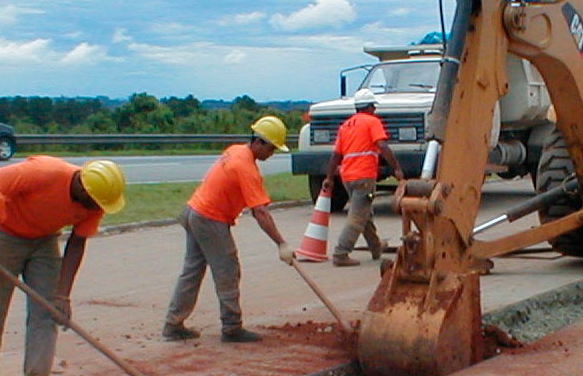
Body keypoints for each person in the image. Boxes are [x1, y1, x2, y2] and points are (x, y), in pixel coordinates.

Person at [0, 156, 126, 376]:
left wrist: (63, 295)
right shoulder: (43, 172)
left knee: (47, 312)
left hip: (44, 241)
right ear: (83, 188)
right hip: (5, 233)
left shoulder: (96, 201)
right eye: (93, 202)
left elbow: (77, 243)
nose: (95, 209)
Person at [162, 116, 294, 343]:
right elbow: (260, 212)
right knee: (227, 270)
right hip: (208, 218)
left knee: (192, 272)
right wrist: (281, 243)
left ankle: (173, 324)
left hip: (194, 211)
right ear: (259, 142)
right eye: (271, 148)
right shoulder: (246, 168)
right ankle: (232, 327)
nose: (272, 154)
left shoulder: (236, 150)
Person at [323, 90, 404, 267]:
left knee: (364, 213)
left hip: (348, 177)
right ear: (370, 107)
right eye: (374, 107)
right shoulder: (372, 122)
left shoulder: (346, 126)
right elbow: (382, 145)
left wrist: (329, 177)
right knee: (357, 217)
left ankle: (376, 248)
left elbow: (336, 155)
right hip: (364, 177)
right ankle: (341, 253)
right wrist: (396, 168)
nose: (375, 110)